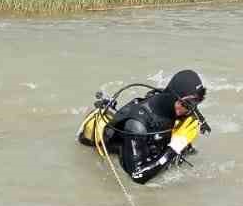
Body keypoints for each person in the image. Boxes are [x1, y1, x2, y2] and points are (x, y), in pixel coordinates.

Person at [78, 69, 208, 184]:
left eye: (196, 103)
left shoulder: (177, 105)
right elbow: (137, 176)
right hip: (126, 152)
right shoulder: (136, 126)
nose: (191, 109)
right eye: (188, 104)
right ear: (173, 96)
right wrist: (174, 148)